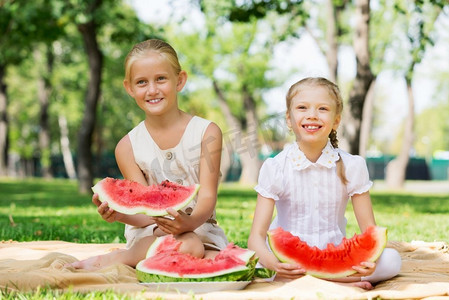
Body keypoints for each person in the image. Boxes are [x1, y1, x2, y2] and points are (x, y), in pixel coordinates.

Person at [70, 39, 228, 270]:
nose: (152, 90)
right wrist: (119, 215)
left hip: (200, 227)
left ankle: (149, 263)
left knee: (208, 253)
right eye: (142, 82)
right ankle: (120, 259)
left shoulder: (207, 132)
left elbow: (206, 198)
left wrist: (190, 222)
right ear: (130, 88)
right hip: (150, 233)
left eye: (161, 79)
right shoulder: (127, 147)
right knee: (191, 248)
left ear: (180, 80)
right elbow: (145, 213)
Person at [247, 77, 401, 290]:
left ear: (336, 121)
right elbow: (255, 237)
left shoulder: (352, 166)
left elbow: (370, 231)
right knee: (256, 259)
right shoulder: (275, 167)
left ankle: (325, 279)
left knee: (392, 260)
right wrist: (273, 263)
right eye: (302, 107)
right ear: (289, 120)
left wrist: (371, 262)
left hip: (336, 255)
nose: (312, 115)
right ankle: (339, 281)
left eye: (322, 109)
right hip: (288, 263)